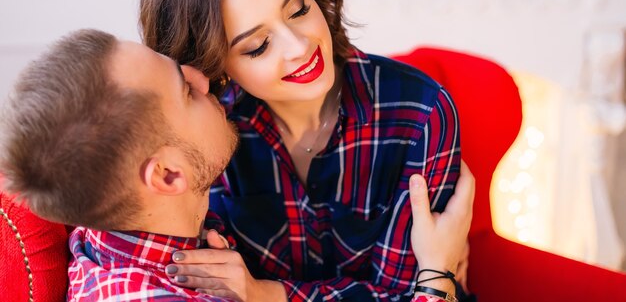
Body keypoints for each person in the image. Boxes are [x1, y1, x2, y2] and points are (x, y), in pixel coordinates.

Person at [0, 29, 472, 302]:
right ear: (167, 176)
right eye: (184, 90)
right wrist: (437, 277)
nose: (202, 77)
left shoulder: (119, 230)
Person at [140, 0, 469, 302]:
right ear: (214, 69)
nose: (299, 46)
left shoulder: (419, 113)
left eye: (298, 10)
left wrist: (264, 293)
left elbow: (408, 294)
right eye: (258, 45)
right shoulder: (204, 134)